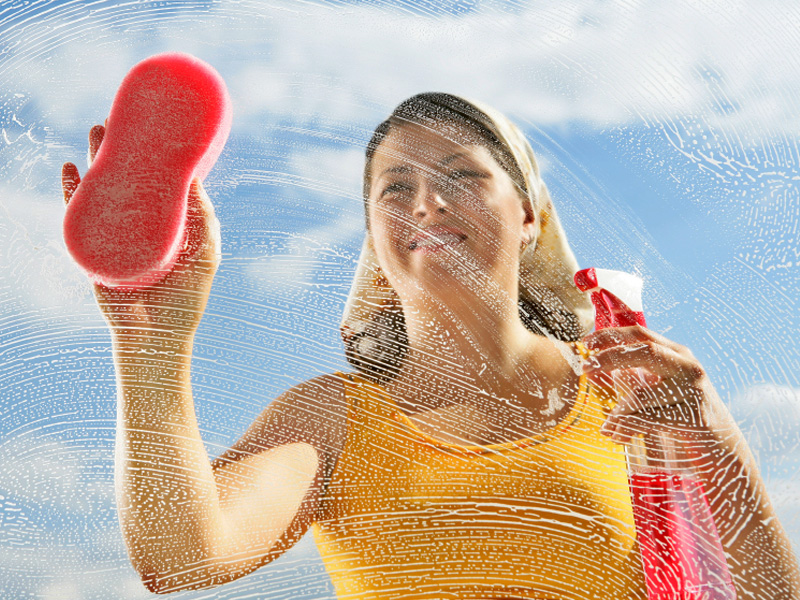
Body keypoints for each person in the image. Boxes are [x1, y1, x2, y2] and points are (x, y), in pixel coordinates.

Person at [61, 93, 800, 599]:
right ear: (375, 239)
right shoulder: (332, 420)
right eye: (395, 186)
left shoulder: (638, 399)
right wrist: (151, 341)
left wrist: (715, 442)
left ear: (531, 216)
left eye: (462, 176)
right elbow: (180, 556)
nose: (426, 202)